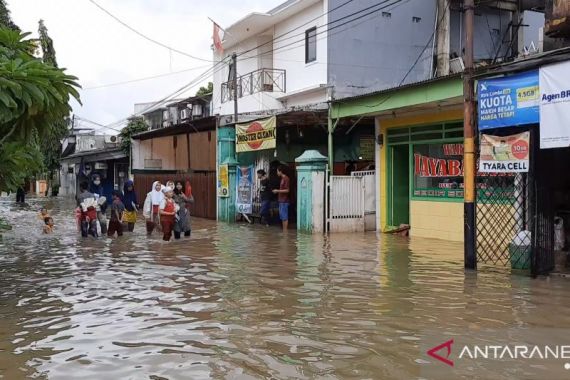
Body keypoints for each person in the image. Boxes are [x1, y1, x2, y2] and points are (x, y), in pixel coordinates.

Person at [273, 165, 290, 231]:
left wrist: (277, 191)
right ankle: (284, 231)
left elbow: (287, 190)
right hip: (281, 200)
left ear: (281, 171)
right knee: (282, 216)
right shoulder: (282, 179)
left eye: (277, 171)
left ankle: (285, 231)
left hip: (284, 200)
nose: (277, 173)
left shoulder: (286, 179)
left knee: (284, 217)